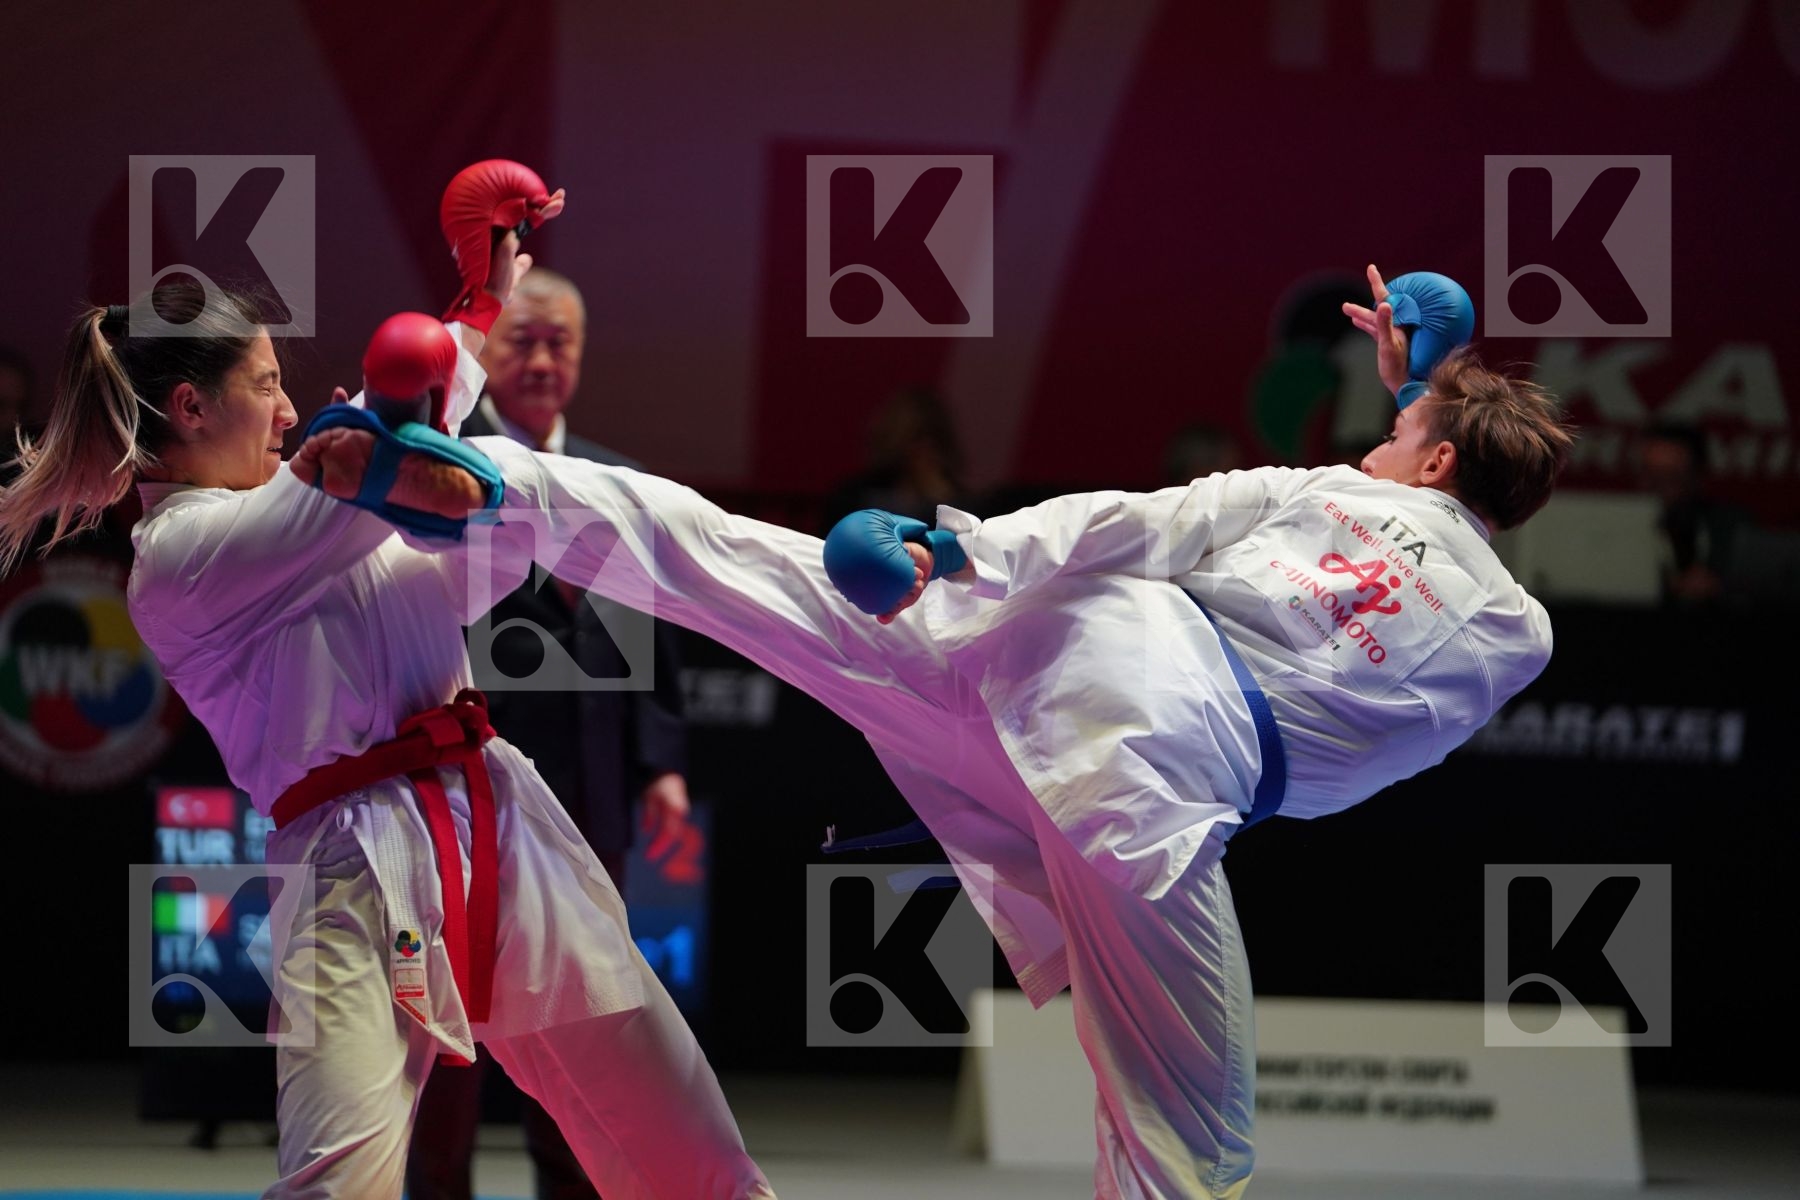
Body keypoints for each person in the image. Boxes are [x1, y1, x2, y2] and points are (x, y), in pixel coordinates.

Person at [296, 263, 1572, 1199]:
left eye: (1395, 434)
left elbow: (1141, 521)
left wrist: (955, 551)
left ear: (1436, 464)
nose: (1373, 443)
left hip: (1054, 657)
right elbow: (1394, 639)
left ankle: (475, 479)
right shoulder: (1518, 635)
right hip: (1158, 796)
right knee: (1192, 1137)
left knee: (722, 558)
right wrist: (1432, 401)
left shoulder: (1315, 488)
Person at [0, 186, 776, 1199]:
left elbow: (457, 575)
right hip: (351, 871)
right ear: (190, 408)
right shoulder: (182, 556)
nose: (288, 410)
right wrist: (454, 338)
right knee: (341, 1186)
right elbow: (375, 452)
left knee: (693, 1155)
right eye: (266, 384)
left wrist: (474, 352)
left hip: (503, 821)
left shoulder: (307, 515)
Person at [408, 266, 692, 1200]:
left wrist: (662, 767)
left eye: (558, 343)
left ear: (580, 355)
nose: (540, 360)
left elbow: (653, 629)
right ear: (486, 351)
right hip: (467, 790)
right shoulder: (440, 470)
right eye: (521, 340)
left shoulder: (617, 477)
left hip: (594, 785)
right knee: (454, 1022)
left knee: (580, 1019)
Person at [1633, 422, 1753, 607]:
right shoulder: (1622, 528)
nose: (1656, 487)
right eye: (1649, 474)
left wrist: (1719, 587)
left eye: (1671, 476)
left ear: (1697, 477)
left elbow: (1755, 588)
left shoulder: (1731, 527)